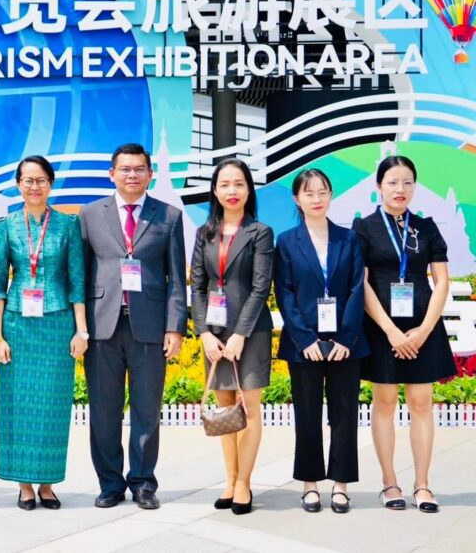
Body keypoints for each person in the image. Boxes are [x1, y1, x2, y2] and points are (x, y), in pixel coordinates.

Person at [79, 142, 186, 510]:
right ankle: (110, 483)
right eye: (125, 169)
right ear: (112, 173)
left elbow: (176, 279)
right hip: (101, 327)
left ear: (150, 174)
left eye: (139, 169)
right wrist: (80, 327)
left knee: (146, 410)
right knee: (103, 411)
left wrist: (175, 327)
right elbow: (80, 274)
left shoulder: (169, 216)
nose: (132, 175)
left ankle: (143, 483)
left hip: (149, 327)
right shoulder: (90, 215)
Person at [352, 155, 454, 514]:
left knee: (421, 403)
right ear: (378, 187)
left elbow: (442, 281)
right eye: (393, 182)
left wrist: (424, 330)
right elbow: (361, 283)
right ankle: (389, 482)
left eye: (408, 182)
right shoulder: (364, 228)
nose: (401, 189)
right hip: (382, 329)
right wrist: (392, 331)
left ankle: (423, 485)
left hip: (423, 327)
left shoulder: (426, 227)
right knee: (384, 403)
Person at [0, 156, 88, 510]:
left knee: (52, 405)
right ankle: (24, 486)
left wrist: (81, 331)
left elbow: (77, 280)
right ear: (18, 184)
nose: (34, 186)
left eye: (41, 180)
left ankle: (47, 484)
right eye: (28, 180)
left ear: (51, 183)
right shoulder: (5, 225)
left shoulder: (68, 224)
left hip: (58, 324)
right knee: (18, 403)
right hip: (17, 325)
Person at [274, 168, 367, 514]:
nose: (317, 199)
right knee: (307, 414)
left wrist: (346, 338)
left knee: (344, 414)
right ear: (297, 199)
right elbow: (284, 293)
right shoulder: (287, 241)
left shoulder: (349, 238)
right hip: (304, 346)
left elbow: (357, 288)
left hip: (345, 344)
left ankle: (341, 485)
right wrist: (304, 339)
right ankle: (310, 484)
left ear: (331, 196)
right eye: (309, 193)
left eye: (323, 192)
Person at [189, 158, 273, 515]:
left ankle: (244, 483)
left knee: (249, 409)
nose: (232, 191)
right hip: (215, 331)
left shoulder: (260, 232)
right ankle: (230, 478)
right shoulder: (203, 233)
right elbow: (197, 286)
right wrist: (204, 334)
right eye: (224, 184)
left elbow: (260, 287)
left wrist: (240, 334)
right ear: (215, 190)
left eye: (239, 184)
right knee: (225, 408)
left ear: (249, 189)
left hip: (250, 331)